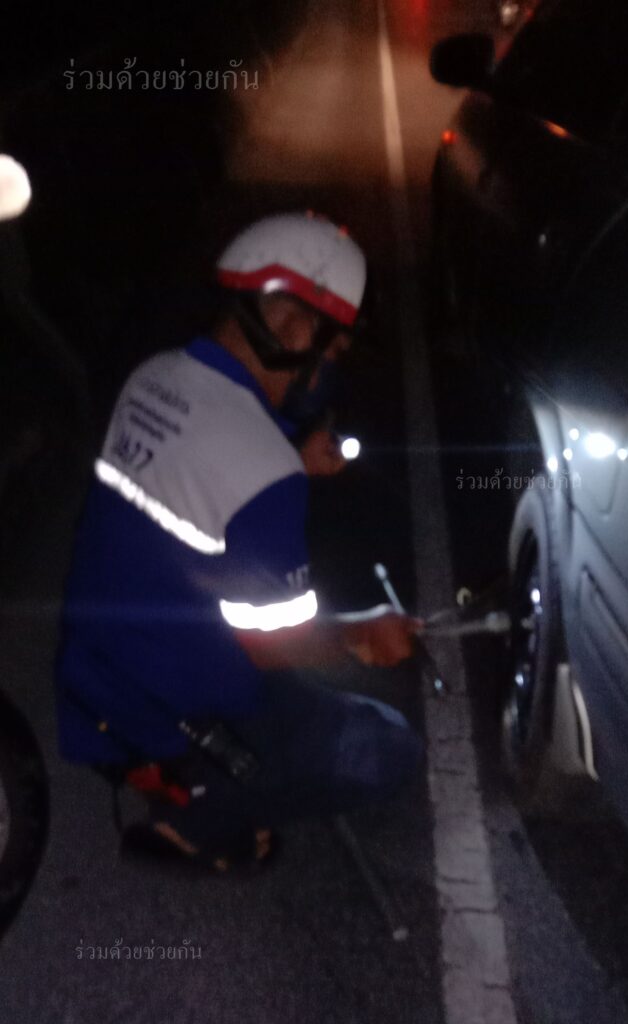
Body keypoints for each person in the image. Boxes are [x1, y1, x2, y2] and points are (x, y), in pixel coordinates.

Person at [55, 211, 423, 870]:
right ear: (293, 327)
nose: (328, 370)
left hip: (90, 673)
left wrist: (288, 455)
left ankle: (176, 773)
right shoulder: (268, 474)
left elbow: (202, 462)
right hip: (172, 714)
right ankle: (201, 811)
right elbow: (275, 646)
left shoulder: (152, 376)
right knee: (388, 745)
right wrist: (362, 634)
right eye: (334, 351)